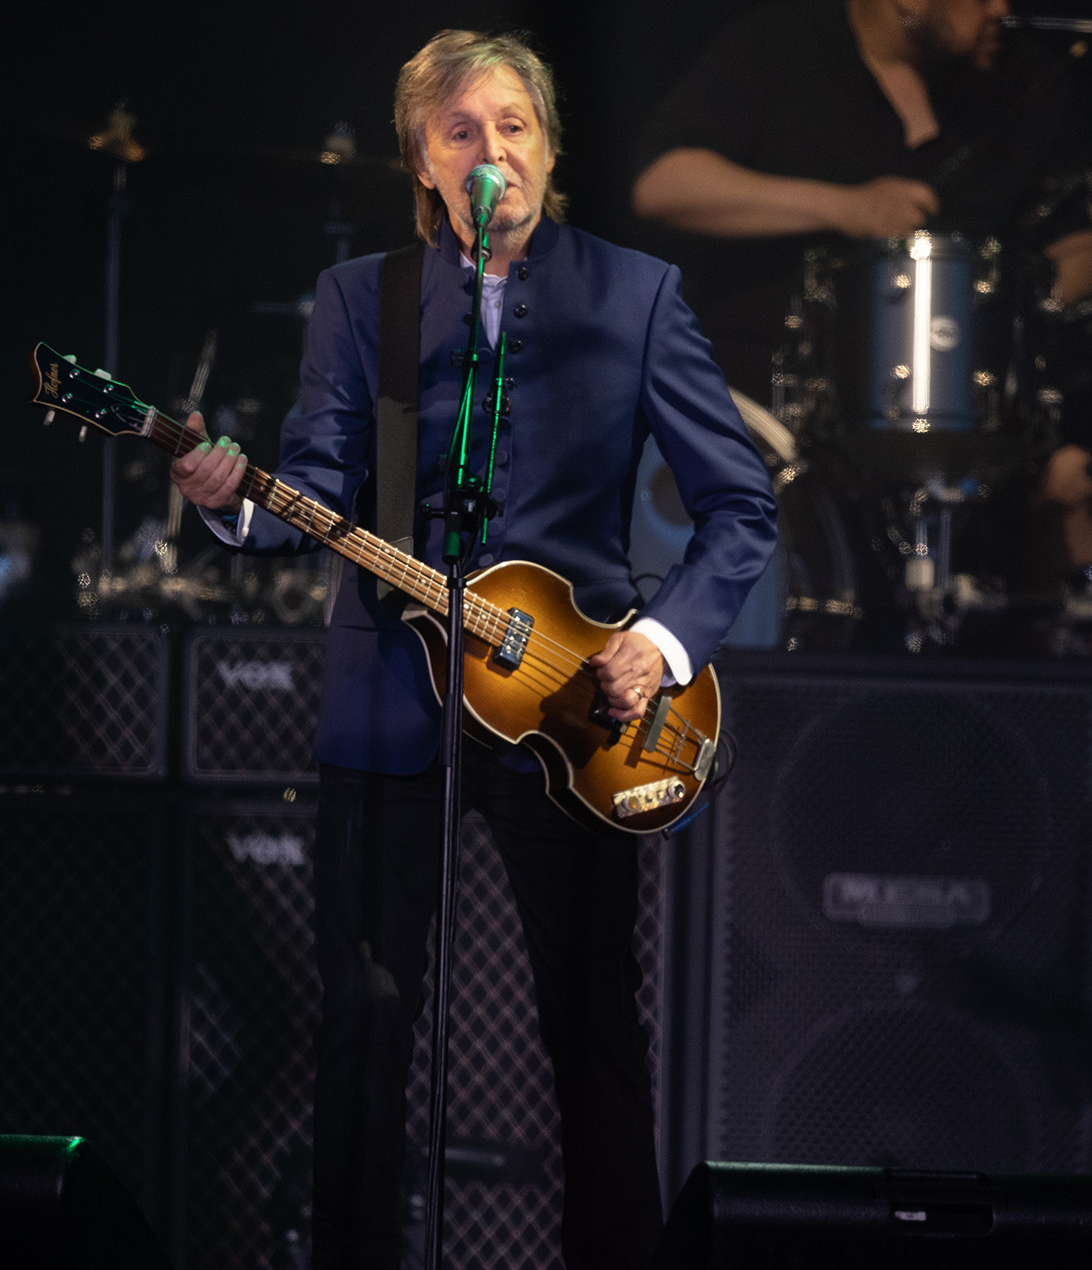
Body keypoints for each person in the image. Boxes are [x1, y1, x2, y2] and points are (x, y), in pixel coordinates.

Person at [169, 29, 777, 1270]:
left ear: (550, 151)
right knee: (364, 1024)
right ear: (421, 165)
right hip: (390, 700)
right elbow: (317, 493)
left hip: (580, 707)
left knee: (592, 1025)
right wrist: (230, 500)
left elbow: (740, 506)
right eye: (459, 133)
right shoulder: (364, 299)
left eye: (511, 127)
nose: (488, 152)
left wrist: (656, 644)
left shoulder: (635, 294)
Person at [631, 0, 1092, 576]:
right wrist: (845, 207)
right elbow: (664, 185)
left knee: (1079, 491)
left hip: (972, 420)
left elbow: (1083, 248)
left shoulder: (1024, 82)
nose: (1000, 9)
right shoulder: (784, 44)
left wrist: (1018, 322)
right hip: (772, 404)